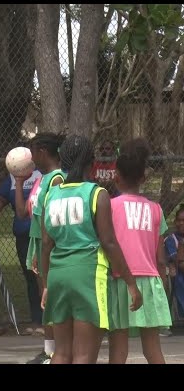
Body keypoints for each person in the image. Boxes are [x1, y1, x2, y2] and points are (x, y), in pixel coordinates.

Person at [40, 134, 142, 364]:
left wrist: (46, 284)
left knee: (61, 353)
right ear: (92, 163)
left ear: (62, 161)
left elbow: (46, 244)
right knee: (84, 354)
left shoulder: (51, 195)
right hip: (87, 274)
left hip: (58, 274)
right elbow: (109, 242)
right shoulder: (97, 194)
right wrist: (131, 282)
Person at [108, 138, 171, 364]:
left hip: (120, 280)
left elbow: (107, 243)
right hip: (150, 280)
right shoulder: (155, 209)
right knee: (153, 349)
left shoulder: (110, 206)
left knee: (118, 349)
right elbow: (160, 257)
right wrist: (162, 283)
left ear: (116, 175)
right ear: (143, 178)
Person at [21, 133, 65, 364]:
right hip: (37, 241)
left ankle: (58, 351)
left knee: (51, 297)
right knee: (44, 298)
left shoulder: (57, 178)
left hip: (48, 244)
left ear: (43, 152)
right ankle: (49, 350)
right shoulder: (43, 178)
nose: (31, 156)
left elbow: (53, 217)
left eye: (33, 151)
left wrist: (46, 251)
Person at [0, 164, 44, 335]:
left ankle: (50, 321)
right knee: (31, 277)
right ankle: (37, 320)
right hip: (23, 237)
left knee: (44, 277)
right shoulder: (13, 178)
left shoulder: (44, 174)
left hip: (44, 236)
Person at [164, 204, 184, 325]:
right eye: (179, 220)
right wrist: (181, 246)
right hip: (178, 275)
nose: (181, 223)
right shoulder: (171, 239)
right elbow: (179, 264)